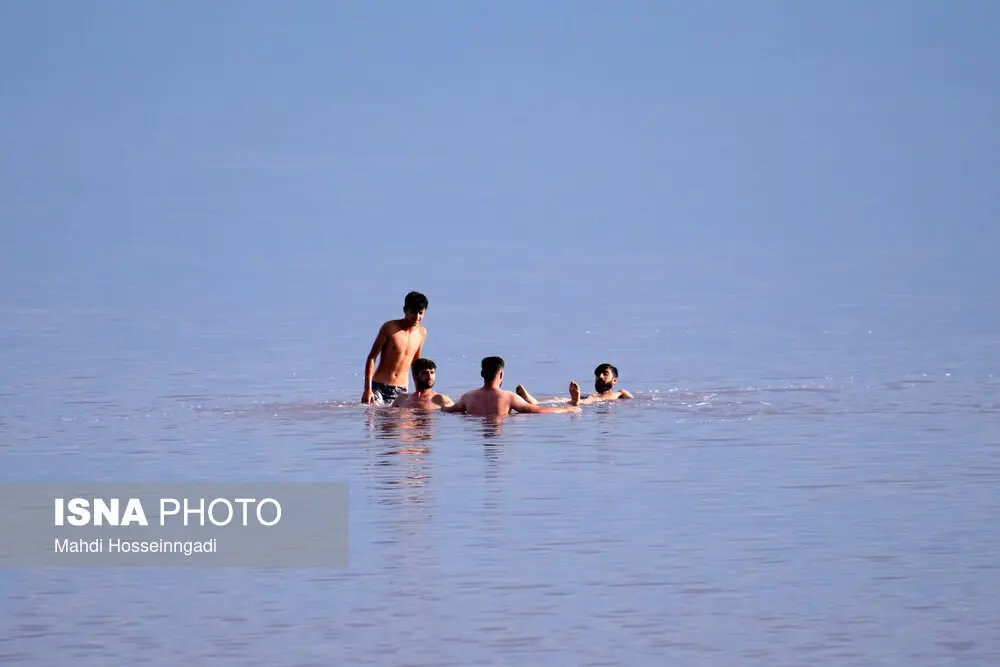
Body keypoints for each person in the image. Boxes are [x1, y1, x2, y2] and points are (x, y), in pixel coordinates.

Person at [442, 357, 581, 416]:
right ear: (501, 374)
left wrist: (443, 403)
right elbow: (538, 411)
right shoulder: (508, 397)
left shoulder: (468, 398)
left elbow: (448, 410)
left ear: (482, 373)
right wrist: (567, 409)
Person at [362, 291, 429, 405]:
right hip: (379, 386)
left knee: (402, 422)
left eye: (421, 313)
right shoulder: (390, 328)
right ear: (405, 310)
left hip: (401, 390)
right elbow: (372, 357)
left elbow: (416, 364)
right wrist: (367, 389)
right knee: (374, 420)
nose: (417, 317)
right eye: (413, 312)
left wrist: (420, 390)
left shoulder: (422, 333)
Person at [516, 363, 634, 406]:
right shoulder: (591, 395)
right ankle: (536, 402)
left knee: (585, 401)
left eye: (605, 374)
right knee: (560, 399)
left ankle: (576, 401)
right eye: (598, 374)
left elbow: (632, 401)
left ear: (615, 380)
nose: (600, 376)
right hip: (589, 399)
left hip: (592, 402)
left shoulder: (620, 393)